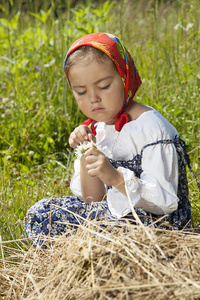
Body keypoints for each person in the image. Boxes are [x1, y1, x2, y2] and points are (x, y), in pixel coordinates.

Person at [25, 32, 195, 246]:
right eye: (81, 92)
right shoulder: (95, 129)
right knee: (41, 214)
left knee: (97, 229)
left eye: (104, 86)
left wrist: (116, 178)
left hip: (155, 223)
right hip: (112, 215)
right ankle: (79, 258)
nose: (94, 98)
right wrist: (88, 152)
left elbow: (165, 203)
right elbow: (92, 201)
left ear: (125, 77)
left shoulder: (151, 129)